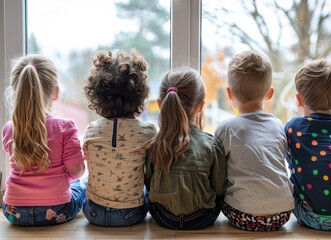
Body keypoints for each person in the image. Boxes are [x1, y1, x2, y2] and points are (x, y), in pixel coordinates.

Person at [1, 54, 86, 226]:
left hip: (13, 211)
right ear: (55, 92)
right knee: (82, 184)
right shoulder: (65, 127)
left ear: (16, 91)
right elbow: (76, 171)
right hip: (56, 211)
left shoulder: (9, 128)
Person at [214, 50, 294, 231]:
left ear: (230, 93)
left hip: (243, 215)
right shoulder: (277, 124)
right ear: (270, 93)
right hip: (282, 214)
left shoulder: (226, 128)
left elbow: (217, 169)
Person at [145, 67, 227, 230]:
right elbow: (219, 188)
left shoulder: (153, 145)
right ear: (201, 105)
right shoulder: (211, 144)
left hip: (163, 217)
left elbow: (148, 182)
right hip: (202, 218)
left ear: (161, 104)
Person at [82, 49, 157, 227]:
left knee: (80, 185)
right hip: (131, 214)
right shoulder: (148, 132)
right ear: (139, 95)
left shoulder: (91, 131)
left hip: (93, 213)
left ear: (97, 96)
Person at [285, 58, 331, 231]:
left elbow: (288, 160)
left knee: (291, 181)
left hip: (311, 216)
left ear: (299, 99)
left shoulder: (293, 127)